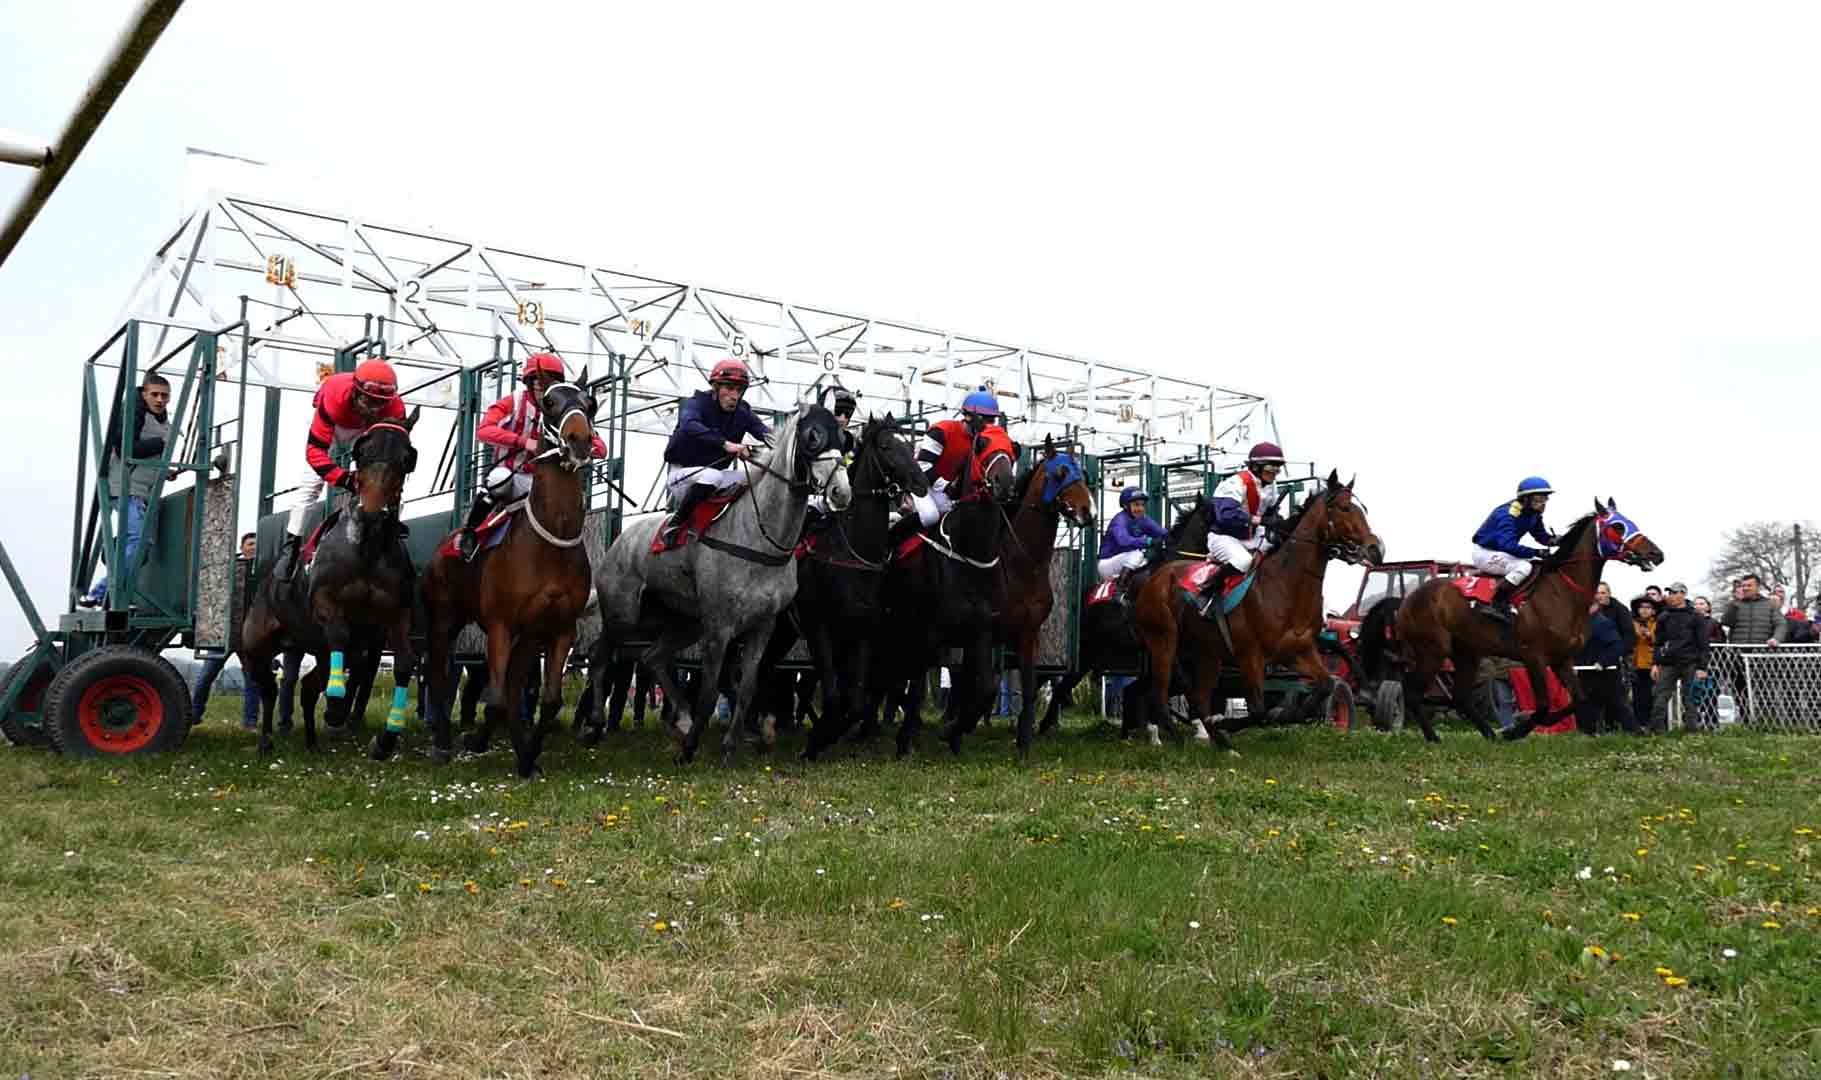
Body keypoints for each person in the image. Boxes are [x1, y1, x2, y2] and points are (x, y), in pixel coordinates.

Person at [457, 352, 604, 560]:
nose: (539, 385)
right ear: (527, 382)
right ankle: (470, 533)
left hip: (543, 480)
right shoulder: (514, 402)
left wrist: (583, 448)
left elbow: (600, 448)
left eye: (545, 380)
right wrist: (523, 442)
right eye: (534, 380)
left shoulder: (568, 410)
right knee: (497, 480)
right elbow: (484, 430)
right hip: (511, 474)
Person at [276, 358, 406, 581]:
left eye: (380, 404)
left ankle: (390, 526)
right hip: (333, 426)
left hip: (366, 431)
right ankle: (291, 547)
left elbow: (393, 455)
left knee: (383, 476)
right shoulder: (334, 395)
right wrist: (344, 479)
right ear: (356, 392)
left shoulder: (395, 408)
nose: (375, 409)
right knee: (310, 487)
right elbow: (314, 453)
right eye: (370, 401)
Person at [81, 373, 173, 607]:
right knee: (138, 541)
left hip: (141, 490)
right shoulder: (133, 413)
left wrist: (165, 469)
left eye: (165, 395)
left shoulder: (159, 419)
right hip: (126, 488)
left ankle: (107, 593)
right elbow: (127, 449)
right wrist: (161, 445)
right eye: (155, 394)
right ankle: (102, 592)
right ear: (144, 393)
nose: (160, 399)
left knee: (137, 544)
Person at [660, 357, 771, 547]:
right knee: (712, 476)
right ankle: (675, 523)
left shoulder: (743, 412)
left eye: (738, 390)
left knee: (754, 478)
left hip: (715, 477)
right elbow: (689, 425)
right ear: (716, 388)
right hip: (681, 476)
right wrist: (725, 444)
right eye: (728, 388)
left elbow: (766, 433)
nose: (734, 395)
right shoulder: (696, 403)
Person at [1198, 441, 1288, 608]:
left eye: (1277, 470)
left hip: (1252, 535)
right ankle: (1208, 590)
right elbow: (1226, 515)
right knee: (1244, 561)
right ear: (1256, 467)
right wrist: (1260, 520)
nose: (1274, 474)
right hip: (1224, 537)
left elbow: (1269, 513)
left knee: (1282, 550)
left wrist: (1278, 521)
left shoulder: (1271, 486)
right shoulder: (1234, 484)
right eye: (1270, 469)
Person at [191, 533, 261, 730]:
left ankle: (250, 722)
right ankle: (194, 714)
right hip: (225, 633)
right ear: (242, 546)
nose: (253, 547)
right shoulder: (232, 568)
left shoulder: (261, 570)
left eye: (256, 544)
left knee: (252, 680)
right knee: (206, 676)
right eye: (250, 543)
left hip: (249, 636)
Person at [1467, 477, 1557, 623]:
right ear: (1525, 499)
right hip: (1484, 553)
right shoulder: (1507, 514)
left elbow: (1542, 537)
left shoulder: (1533, 514)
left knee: (1539, 564)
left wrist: (1557, 540)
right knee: (1524, 567)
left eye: (1545, 499)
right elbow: (1507, 545)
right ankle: (1494, 603)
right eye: (1538, 499)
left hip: (1502, 552)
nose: (1543, 503)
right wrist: (1536, 552)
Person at [910, 387, 1003, 528]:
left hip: (942, 490)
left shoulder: (979, 442)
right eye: (985, 420)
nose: (988, 426)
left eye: (991, 420)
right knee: (930, 516)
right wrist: (947, 487)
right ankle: (894, 540)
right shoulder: (941, 431)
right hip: (920, 484)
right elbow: (923, 465)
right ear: (968, 416)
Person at [1652, 583, 1711, 733]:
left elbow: (1703, 644)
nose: (1671, 596)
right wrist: (1655, 663)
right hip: (1668, 662)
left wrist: (1702, 667)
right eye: (1670, 593)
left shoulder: (1696, 616)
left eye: (1674, 592)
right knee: (1660, 697)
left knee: (1690, 699)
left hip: (1690, 662)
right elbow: (1658, 642)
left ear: (1683, 594)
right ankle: (1656, 731)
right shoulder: (1664, 616)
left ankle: (1691, 731)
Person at [1576, 599, 1638, 735]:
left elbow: (1617, 646)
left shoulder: (1602, 623)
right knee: (1587, 704)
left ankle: (1634, 732)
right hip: (1587, 671)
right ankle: (1587, 733)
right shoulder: (1582, 624)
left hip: (1606, 672)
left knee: (1618, 704)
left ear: (1595, 606)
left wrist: (1602, 662)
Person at [1096, 487, 1168, 582]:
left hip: (1127, 561)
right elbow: (1124, 541)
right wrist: (1148, 541)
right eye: (1136, 505)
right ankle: (1119, 589)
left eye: (1142, 505)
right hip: (1107, 564)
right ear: (1126, 506)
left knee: (1150, 565)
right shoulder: (1119, 520)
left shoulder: (1144, 519)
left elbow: (1163, 533)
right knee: (1137, 554)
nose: (1141, 509)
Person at [1630, 596, 1657, 726]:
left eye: (1648, 607)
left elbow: (1659, 640)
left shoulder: (1656, 623)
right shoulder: (1632, 622)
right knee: (1637, 696)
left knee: (1650, 696)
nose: (1645, 610)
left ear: (1653, 610)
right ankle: (1638, 724)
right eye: (1642, 607)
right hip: (1635, 664)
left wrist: (1649, 635)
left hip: (1650, 665)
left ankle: (1651, 724)